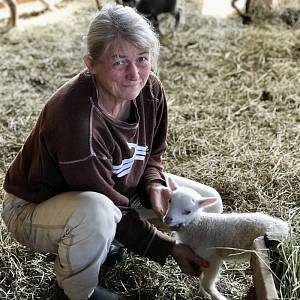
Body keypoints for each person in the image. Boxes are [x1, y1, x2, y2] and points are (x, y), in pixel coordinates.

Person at [1, 5, 223, 300]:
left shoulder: (149, 90)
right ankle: (76, 291)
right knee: (98, 214)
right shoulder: (75, 119)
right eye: (119, 62)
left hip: (112, 189)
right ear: (91, 64)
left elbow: (154, 152)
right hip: (36, 208)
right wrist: (167, 247)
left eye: (142, 59)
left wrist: (154, 182)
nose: (134, 74)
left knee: (210, 202)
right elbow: (108, 203)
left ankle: (102, 246)